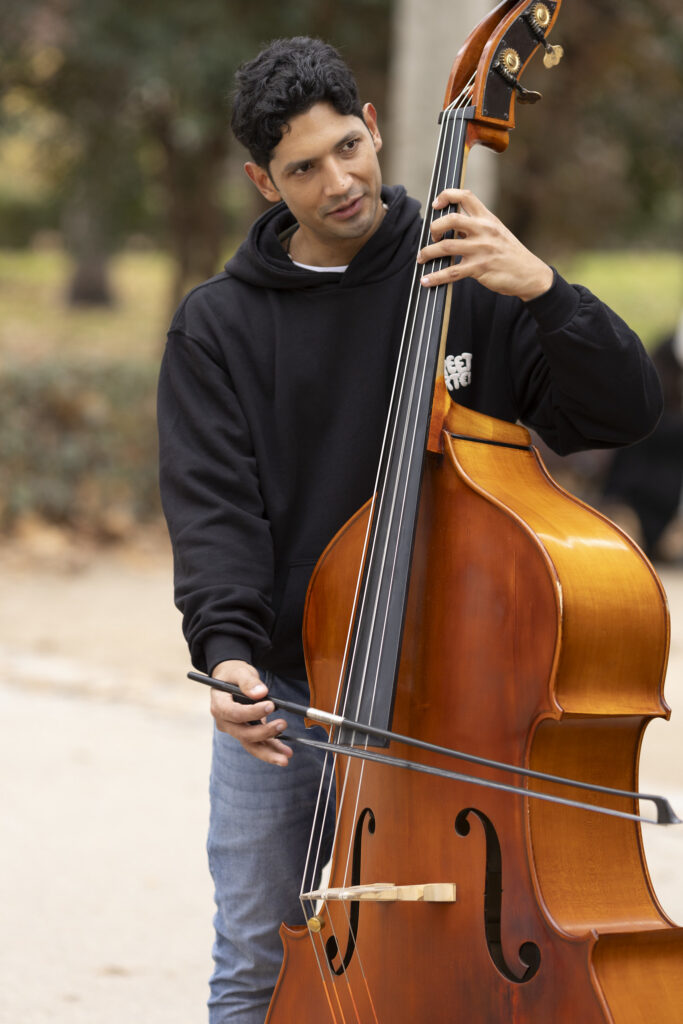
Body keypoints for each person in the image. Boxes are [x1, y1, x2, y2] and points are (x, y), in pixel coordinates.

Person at [157, 36, 662, 1024]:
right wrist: (225, 657)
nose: (339, 181)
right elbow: (212, 511)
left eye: (348, 146)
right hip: (296, 701)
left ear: (375, 127)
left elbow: (624, 411)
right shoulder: (216, 326)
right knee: (255, 976)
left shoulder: (464, 271)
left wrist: (541, 291)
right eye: (303, 168)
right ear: (264, 180)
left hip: (461, 717)